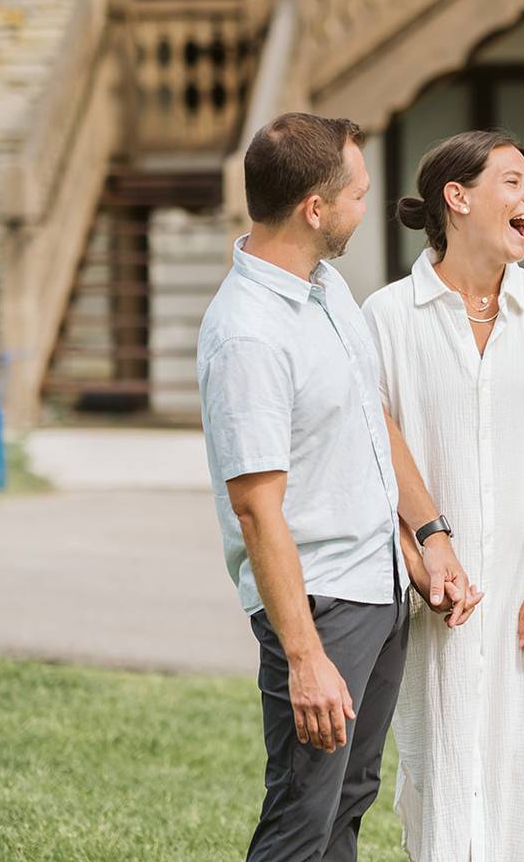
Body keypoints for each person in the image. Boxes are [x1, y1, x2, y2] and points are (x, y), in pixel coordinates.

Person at [197, 112, 474, 862]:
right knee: (301, 820)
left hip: (378, 587)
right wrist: (305, 657)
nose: (367, 205)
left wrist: (427, 536)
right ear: (314, 209)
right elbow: (257, 511)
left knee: (347, 804)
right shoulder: (249, 334)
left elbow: (370, 420)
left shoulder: (324, 288)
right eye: (357, 194)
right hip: (319, 605)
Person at [362, 129, 524, 862]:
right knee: (443, 764)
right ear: (457, 199)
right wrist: (422, 555)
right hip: (440, 590)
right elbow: (376, 445)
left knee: (518, 765)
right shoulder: (387, 317)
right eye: (515, 181)